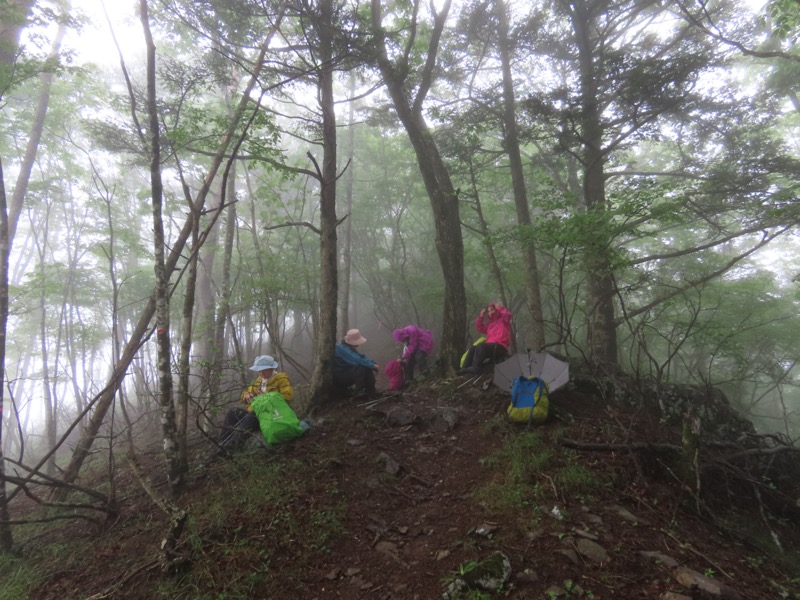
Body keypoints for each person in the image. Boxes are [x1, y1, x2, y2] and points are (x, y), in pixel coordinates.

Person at [219, 355, 294, 450]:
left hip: (273, 416)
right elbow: (245, 394)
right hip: (257, 414)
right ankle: (221, 443)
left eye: (263, 370)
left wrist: (266, 396)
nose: (261, 373)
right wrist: (247, 395)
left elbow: (287, 397)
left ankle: (233, 445)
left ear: (271, 368)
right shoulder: (259, 381)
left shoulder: (281, 379)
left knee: (253, 415)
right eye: (259, 371)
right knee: (233, 413)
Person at [458, 302, 512, 375]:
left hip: (500, 347)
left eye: (492, 310)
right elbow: (480, 328)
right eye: (488, 311)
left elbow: (508, 315)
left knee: (481, 346)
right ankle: (463, 369)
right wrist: (481, 316)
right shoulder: (490, 324)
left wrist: (501, 308)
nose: (490, 312)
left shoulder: (503, 320)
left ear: (496, 310)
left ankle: (476, 368)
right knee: (473, 348)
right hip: (490, 347)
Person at [333, 329, 381, 399]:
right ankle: (358, 392)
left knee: (366, 366)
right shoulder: (340, 348)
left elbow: (361, 357)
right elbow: (356, 359)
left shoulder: (350, 348)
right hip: (340, 377)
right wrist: (372, 365)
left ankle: (371, 391)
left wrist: (372, 363)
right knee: (361, 366)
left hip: (348, 373)